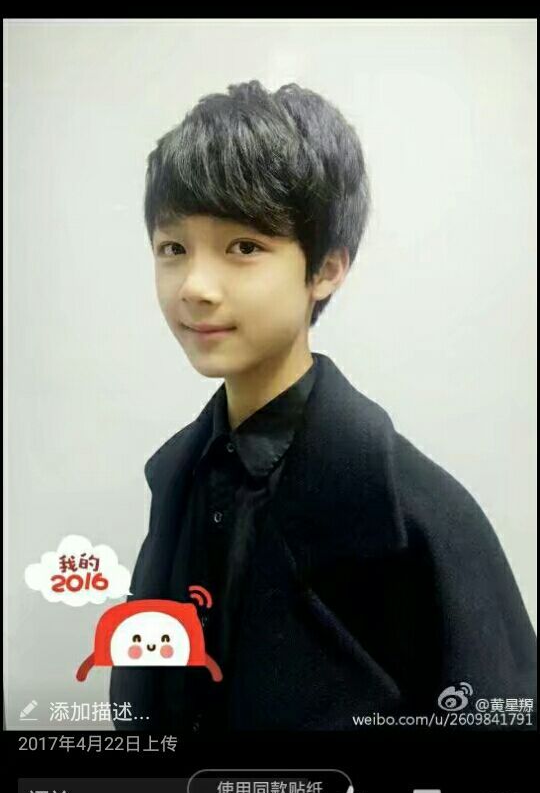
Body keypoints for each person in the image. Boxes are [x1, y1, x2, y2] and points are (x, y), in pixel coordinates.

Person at [109, 79, 536, 733]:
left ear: (328, 267)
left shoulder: (422, 518)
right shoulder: (180, 479)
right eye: (174, 249)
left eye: (244, 247)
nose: (194, 286)